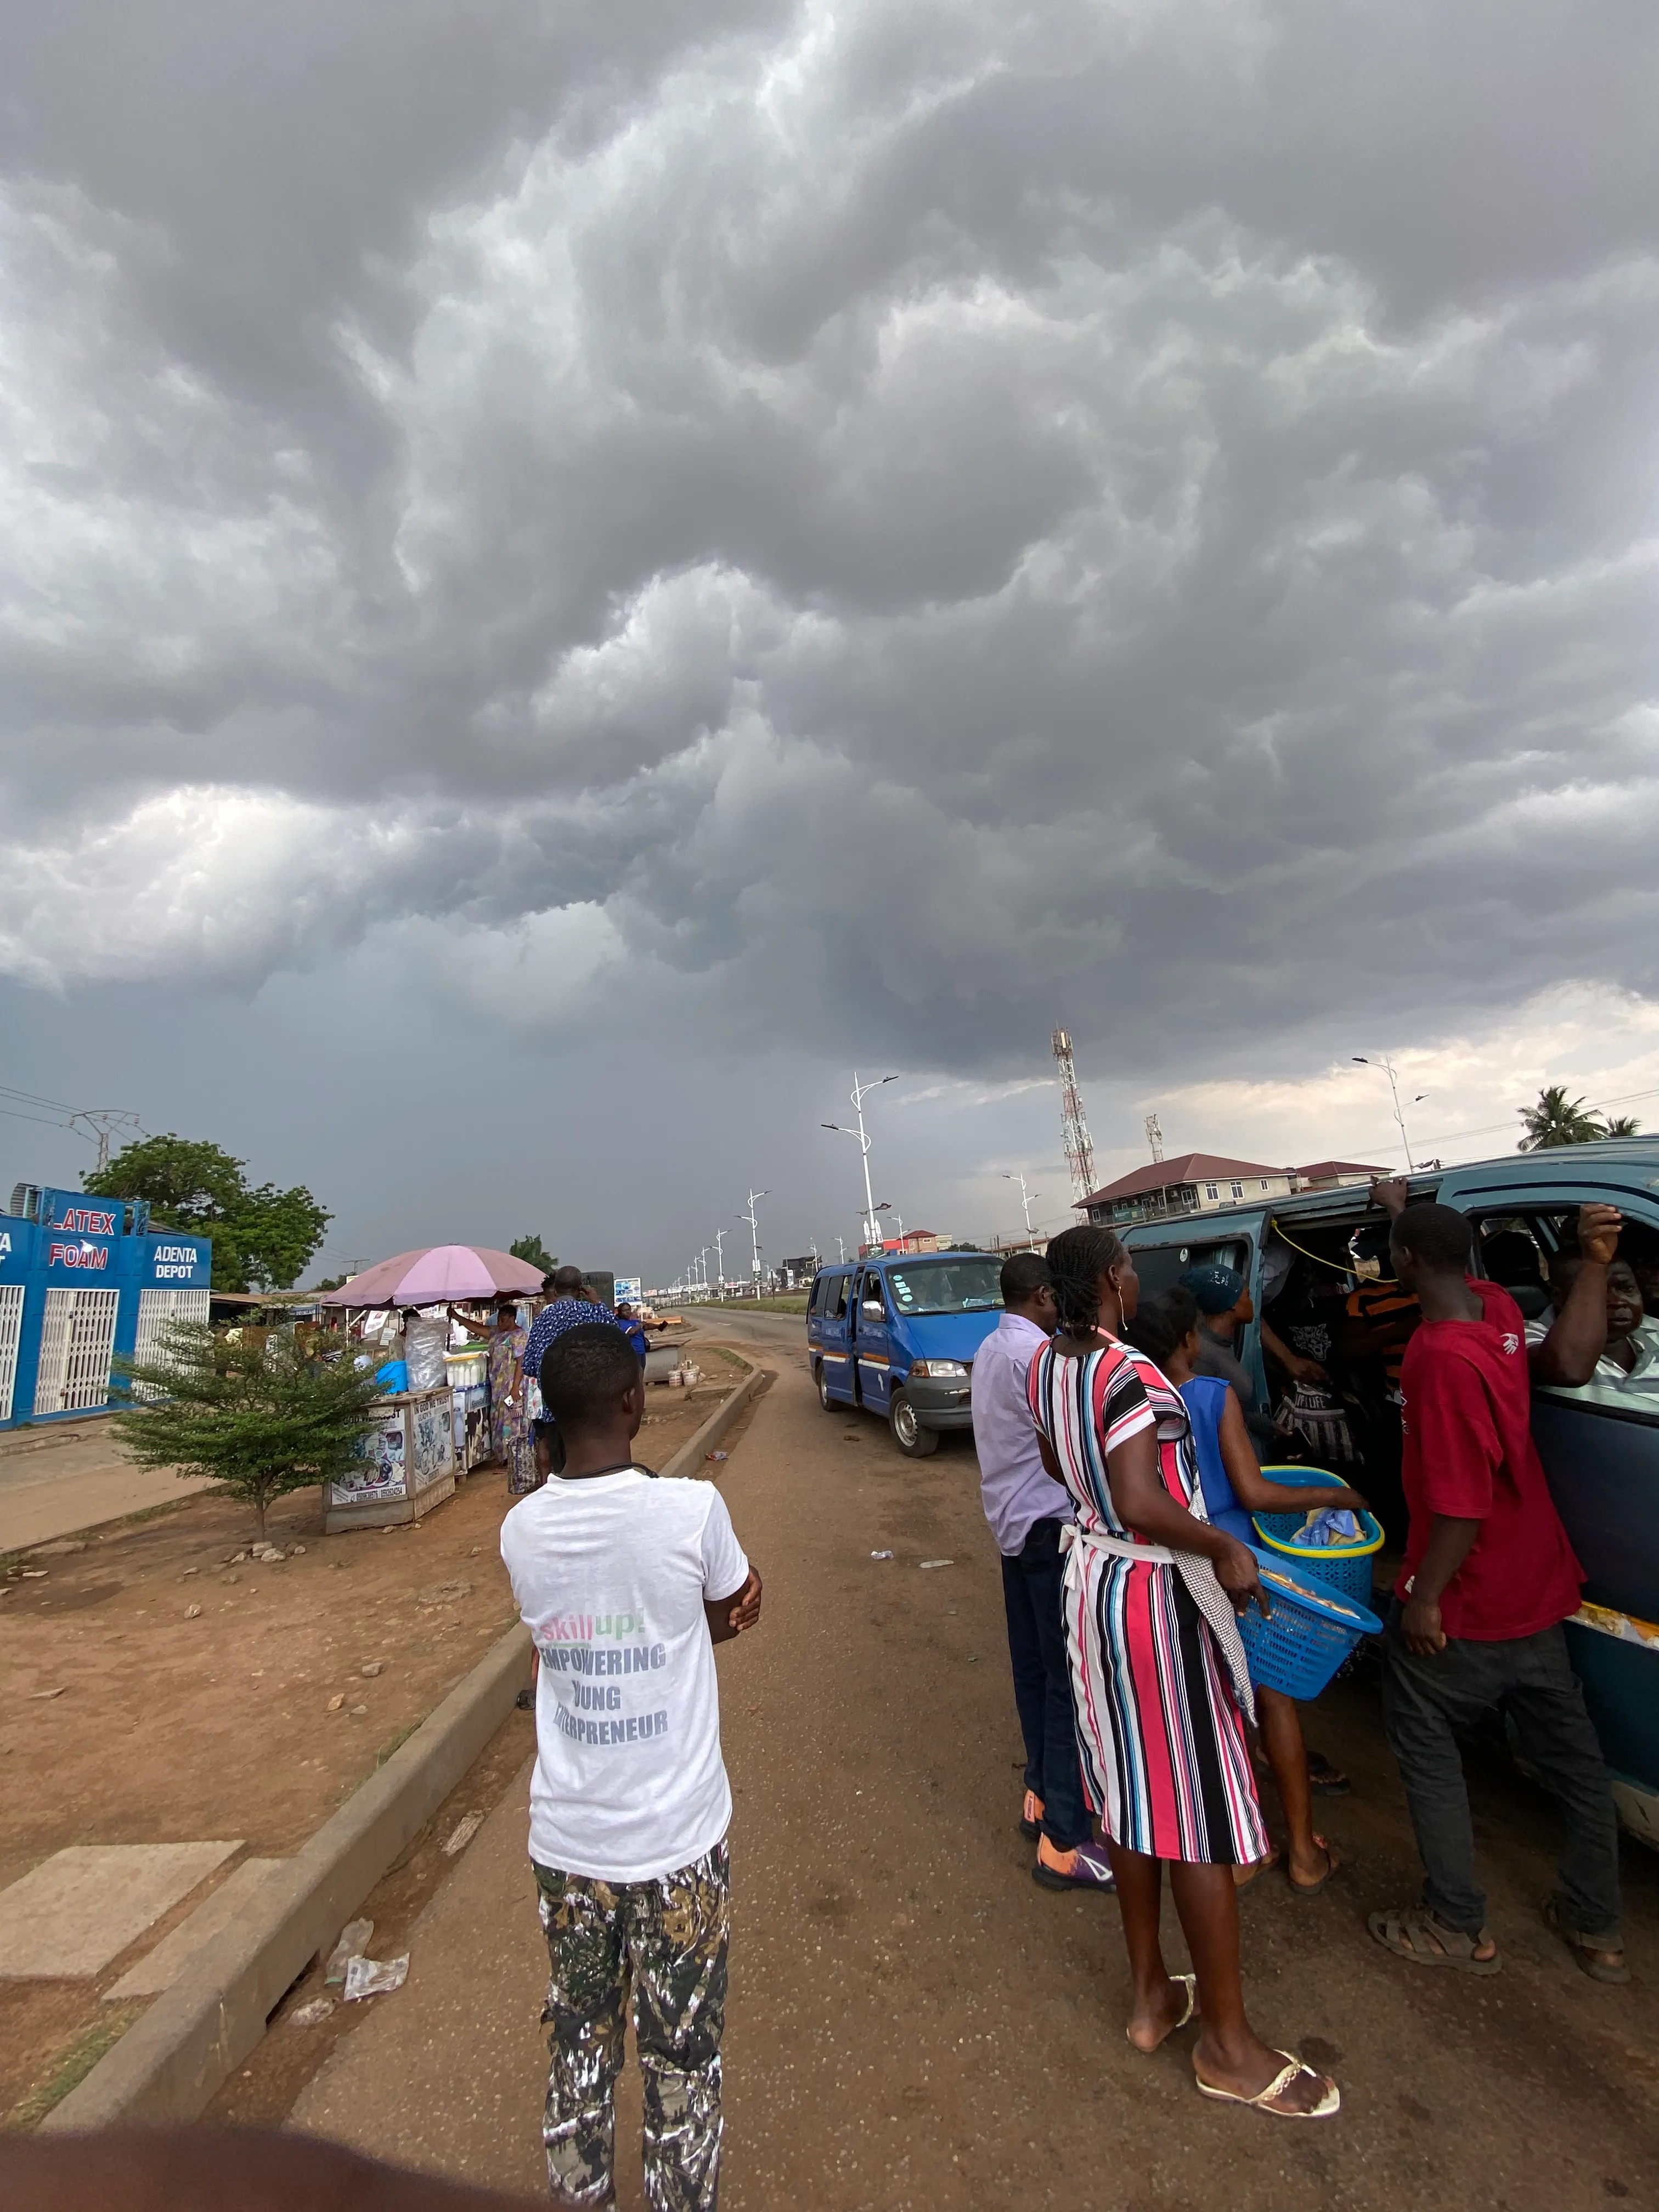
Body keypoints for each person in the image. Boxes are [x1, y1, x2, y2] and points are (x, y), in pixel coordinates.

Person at [1025, 1225, 1339, 2119]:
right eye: (1125, 1262)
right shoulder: (1126, 1373)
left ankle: (1149, 1997)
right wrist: (1219, 1548)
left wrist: (1104, 1500)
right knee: (1194, 1807)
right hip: (1150, 1594)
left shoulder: (1049, 1364)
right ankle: (1227, 2046)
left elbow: (1063, 1463)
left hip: (1088, 1585)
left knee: (1128, 1791)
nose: (1133, 1272)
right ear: (1110, 1282)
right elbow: (1136, 1497)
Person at [500, 1323, 763, 2208]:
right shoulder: (689, 1509)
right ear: (632, 1401)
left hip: (570, 1844)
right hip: (680, 1840)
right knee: (682, 2055)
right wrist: (689, 1624)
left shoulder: (521, 1529)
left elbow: (551, 1630)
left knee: (579, 2039)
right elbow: (736, 1603)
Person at [1367, 1193, 1628, 1982]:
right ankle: (1597, 1929)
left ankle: (1456, 1920)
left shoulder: (1437, 1356)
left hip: (1468, 1600)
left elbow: (1458, 1505)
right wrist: (1593, 1266)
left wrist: (1424, 1598)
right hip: (1538, 1588)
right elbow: (1571, 1356)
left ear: (1407, 1262)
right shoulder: (1497, 1313)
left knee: (1425, 1744)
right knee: (1579, 1766)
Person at [1128, 1288, 1367, 1893]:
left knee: (1211, 1705)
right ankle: (1305, 1856)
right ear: (1189, 1340)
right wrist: (1336, 1495)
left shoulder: (1130, 1404)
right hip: (1236, 1560)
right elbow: (1256, 1493)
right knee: (1273, 1700)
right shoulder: (1211, 1395)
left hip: (1173, 1561)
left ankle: (1240, 1847)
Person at [970, 1251, 1113, 1892]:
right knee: (1066, 1680)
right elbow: (1064, 1448)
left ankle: (1040, 1794)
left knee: (1034, 1667)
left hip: (1012, 1524)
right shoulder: (1037, 1359)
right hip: (1046, 1527)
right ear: (1046, 1296)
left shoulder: (992, 1349)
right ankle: (1065, 1836)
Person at [524, 1268, 623, 1478]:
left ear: (556, 1290)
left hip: (554, 1410)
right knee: (593, 1471)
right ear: (580, 1290)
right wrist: (597, 1302)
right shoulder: (590, 1312)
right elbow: (616, 1337)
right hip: (590, 1409)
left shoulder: (541, 1321)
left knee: (563, 1471)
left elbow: (530, 1366)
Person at [1526, 1246, 1659, 1395]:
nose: (1618, 1301)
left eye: (1626, 1288)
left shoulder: (1655, 1330)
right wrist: (1594, 1264)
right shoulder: (1527, 1336)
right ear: (1557, 1296)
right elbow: (1568, 1371)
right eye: (1598, 1292)